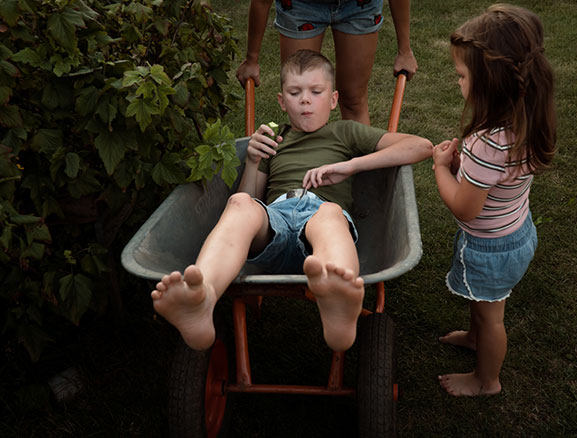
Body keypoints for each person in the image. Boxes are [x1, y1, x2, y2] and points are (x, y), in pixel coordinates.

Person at [151, 49, 432, 353]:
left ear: (334, 100)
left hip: (320, 222)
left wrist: (351, 165)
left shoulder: (345, 132)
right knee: (238, 205)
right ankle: (202, 299)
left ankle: (339, 301)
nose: (306, 100)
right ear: (282, 102)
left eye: (316, 91)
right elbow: (251, 198)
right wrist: (254, 161)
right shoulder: (275, 140)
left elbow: (421, 146)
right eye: (295, 93)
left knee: (330, 213)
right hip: (276, 221)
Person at [432, 4, 556, 396]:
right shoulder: (525, 120)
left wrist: (439, 167)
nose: (457, 82)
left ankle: (486, 380)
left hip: (489, 247)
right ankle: (473, 336)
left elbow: (466, 206)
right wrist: (464, 168)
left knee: (492, 319)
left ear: (490, 82)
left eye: (462, 75)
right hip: (516, 231)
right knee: (483, 305)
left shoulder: (489, 142)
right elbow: (495, 182)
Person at [236, 0, 417, 125]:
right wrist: (252, 58)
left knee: (353, 98)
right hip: (301, 5)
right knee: (302, 100)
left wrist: (405, 50)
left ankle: (362, 175)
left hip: (359, 5)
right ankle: (303, 173)